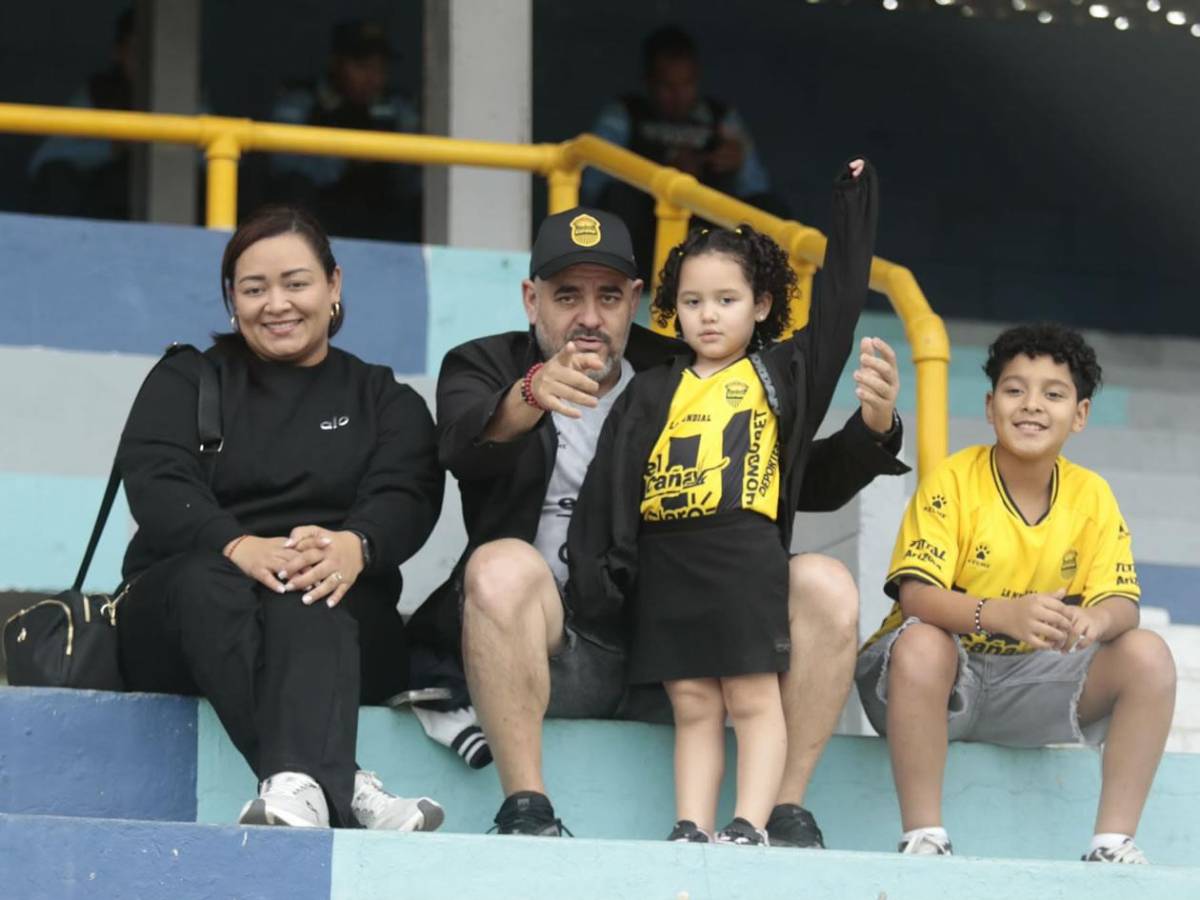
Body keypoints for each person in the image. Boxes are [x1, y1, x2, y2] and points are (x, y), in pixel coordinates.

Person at [407, 196, 909, 843]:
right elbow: (458, 447)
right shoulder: (485, 365)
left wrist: (876, 429)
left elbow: (786, 478)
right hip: (563, 653)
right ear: (532, 299)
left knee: (826, 584)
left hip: (685, 639)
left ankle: (781, 812)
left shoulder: (675, 370)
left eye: (609, 296)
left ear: (637, 298)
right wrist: (529, 394)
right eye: (567, 296)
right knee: (499, 567)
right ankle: (527, 808)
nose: (589, 317)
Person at [568, 159, 877, 845]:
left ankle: (749, 823)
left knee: (751, 695)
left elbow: (842, 303)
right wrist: (601, 574)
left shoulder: (782, 372)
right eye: (692, 301)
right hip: (665, 560)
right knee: (693, 703)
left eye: (727, 300)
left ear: (762, 304)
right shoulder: (651, 389)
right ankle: (691, 826)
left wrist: (852, 203)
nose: (708, 315)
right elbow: (608, 486)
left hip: (743, 556)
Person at [114, 205, 445, 831]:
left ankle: (300, 788)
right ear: (231, 300)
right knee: (211, 580)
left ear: (334, 286)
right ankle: (344, 786)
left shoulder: (383, 398)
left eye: (296, 283)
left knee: (312, 583)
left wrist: (356, 545)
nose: (277, 304)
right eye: (254, 288)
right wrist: (236, 545)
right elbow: (156, 479)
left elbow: (411, 488)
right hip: (184, 614)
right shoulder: (188, 378)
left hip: (336, 619)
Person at [855, 323, 1177, 862]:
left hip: (1031, 688)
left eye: (1053, 394)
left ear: (1080, 414)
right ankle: (925, 836)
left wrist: (1095, 622)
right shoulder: (955, 480)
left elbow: (1124, 603)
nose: (1031, 405)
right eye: (1014, 390)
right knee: (922, 642)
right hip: (929, 688)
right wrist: (999, 614)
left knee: (1148, 656)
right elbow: (915, 597)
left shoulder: (1091, 495)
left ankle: (1111, 844)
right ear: (989, 405)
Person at [579, 26, 785, 282]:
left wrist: (737, 162)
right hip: (647, 234)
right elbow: (593, 186)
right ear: (648, 81)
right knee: (620, 200)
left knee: (771, 209)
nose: (678, 96)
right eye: (667, 86)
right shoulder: (626, 114)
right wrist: (663, 171)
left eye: (687, 84)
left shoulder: (719, 117)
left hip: (709, 229)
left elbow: (756, 188)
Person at [267, 20, 421, 242]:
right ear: (336, 63)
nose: (373, 78)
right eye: (362, 66)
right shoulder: (303, 101)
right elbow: (282, 165)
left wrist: (388, 157)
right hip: (318, 228)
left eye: (380, 69)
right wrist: (345, 160)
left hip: (383, 227)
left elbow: (415, 180)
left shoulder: (397, 107)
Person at [28, 9, 136, 221]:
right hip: (101, 212)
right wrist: (111, 149)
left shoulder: (185, 94)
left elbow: (212, 162)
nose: (144, 61)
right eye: (135, 50)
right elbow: (43, 160)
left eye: (153, 52)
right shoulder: (99, 92)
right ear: (118, 52)